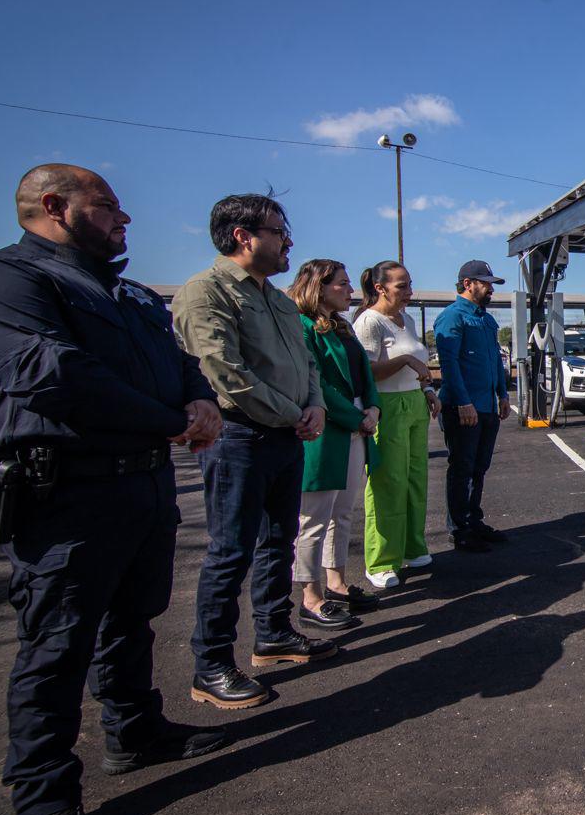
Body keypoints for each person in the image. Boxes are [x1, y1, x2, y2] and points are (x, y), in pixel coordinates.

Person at [0, 164, 227, 815]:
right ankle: (44, 797)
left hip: (141, 486)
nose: (124, 220)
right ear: (53, 206)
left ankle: (135, 729)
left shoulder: (124, 290)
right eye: (108, 208)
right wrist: (170, 420)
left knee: (134, 618)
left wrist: (198, 401)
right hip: (64, 497)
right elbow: (53, 376)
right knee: (57, 645)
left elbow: (178, 359)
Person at [173, 193, 333, 713]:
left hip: (286, 436)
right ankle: (212, 665)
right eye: (279, 231)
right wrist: (293, 412)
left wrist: (314, 407)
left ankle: (273, 634)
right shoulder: (207, 291)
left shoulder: (280, 299)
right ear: (244, 236)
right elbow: (222, 371)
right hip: (238, 439)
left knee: (277, 541)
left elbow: (307, 364)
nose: (288, 241)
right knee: (230, 552)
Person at [288, 259, 382, 629]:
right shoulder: (303, 326)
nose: (350, 290)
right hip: (328, 430)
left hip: (357, 426)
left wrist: (372, 406)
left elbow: (364, 374)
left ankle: (336, 583)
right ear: (319, 286)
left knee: (342, 513)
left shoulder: (343, 326)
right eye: (342, 284)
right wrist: (355, 416)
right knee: (314, 518)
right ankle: (310, 598)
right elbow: (316, 384)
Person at [353, 260, 439, 587]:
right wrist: (404, 360)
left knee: (416, 476)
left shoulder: (407, 320)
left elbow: (418, 365)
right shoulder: (369, 322)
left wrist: (428, 390)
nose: (409, 292)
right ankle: (381, 561)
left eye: (409, 284)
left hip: (415, 404)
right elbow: (367, 372)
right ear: (380, 288)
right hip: (386, 406)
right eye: (401, 286)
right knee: (387, 481)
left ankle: (412, 546)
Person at [433, 259, 511, 552]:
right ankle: (460, 528)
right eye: (486, 283)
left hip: (488, 406)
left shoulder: (487, 320)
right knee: (462, 468)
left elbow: (494, 361)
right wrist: (464, 402)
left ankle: (474, 520)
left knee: (479, 468)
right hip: (463, 408)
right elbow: (449, 365)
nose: (491, 289)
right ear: (468, 284)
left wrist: (503, 394)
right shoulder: (452, 318)